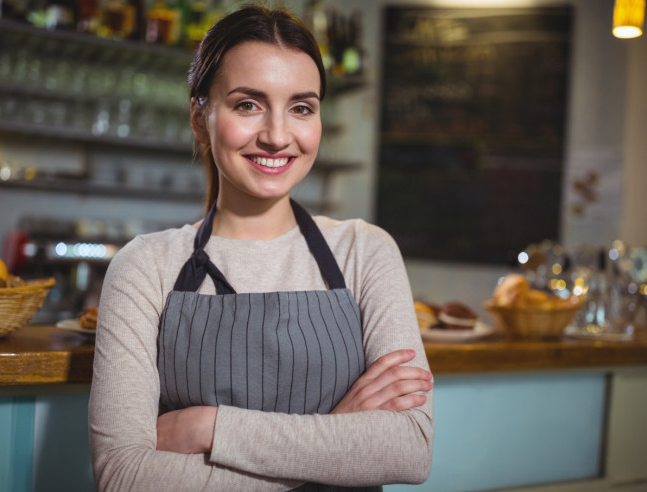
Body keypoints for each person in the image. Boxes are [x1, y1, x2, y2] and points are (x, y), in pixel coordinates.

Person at [88, 5, 434, 491]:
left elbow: (409, 449)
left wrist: (210, 428)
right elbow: (124, 477)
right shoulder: (145, 267)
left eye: (301, 107)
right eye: (248, 104)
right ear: (199, 116)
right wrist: (337, 440)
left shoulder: (365, 250)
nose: (276, 136)